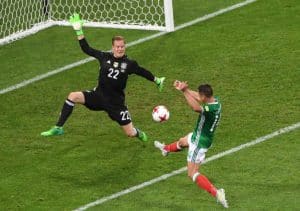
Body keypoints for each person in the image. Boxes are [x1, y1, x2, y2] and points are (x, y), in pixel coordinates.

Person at [41, 13, 165, 142]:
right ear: (113, 47)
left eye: (122, 46)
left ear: (125, 46)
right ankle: (58, 127)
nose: (120, 49)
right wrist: (79, 30)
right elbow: (86, 49)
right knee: (73, 96)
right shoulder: (104, 57)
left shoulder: (129, 64)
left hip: (116, 104)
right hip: (98, 96)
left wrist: (156, 80)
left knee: (130, 133)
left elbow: (142, 72)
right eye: (117, 46)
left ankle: (138, 133)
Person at [154, 81, 228, 208]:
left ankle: (217, 193)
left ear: (204, 97)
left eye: (200, 96)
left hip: (199, 142)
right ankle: (165, 149)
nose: (199, 97)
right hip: (201, 136)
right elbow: (199, 98)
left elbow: (196, 108)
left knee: (192, 173)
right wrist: (186, 89)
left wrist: (184, 92)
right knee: (183, 141)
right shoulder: (216, 102)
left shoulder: (209, 109)